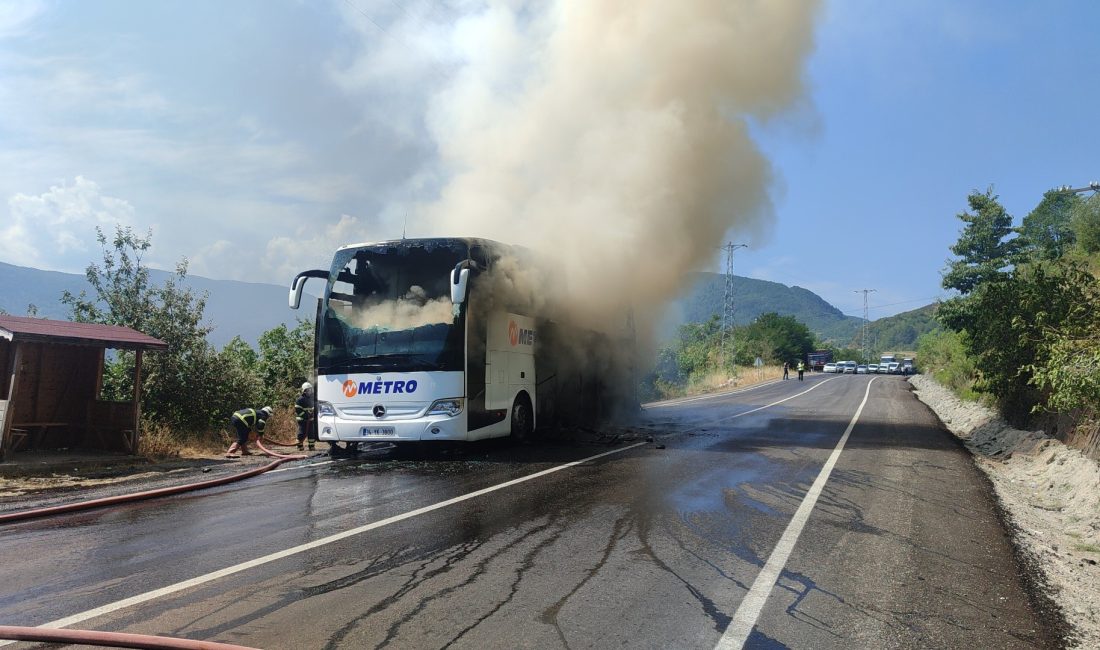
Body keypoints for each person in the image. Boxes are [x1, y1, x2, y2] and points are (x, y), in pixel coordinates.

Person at [295, 382, 317, 451]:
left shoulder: (312, 399)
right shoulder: (300, 399)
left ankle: (311, 446)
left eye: (310, 390)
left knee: (311, 433)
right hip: (302, 420)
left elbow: (314, 408)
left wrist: (313, 412)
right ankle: (299, 446)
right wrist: (305, 415)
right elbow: (298, 409)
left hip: (310, 420)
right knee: (302, 433)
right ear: (304, 391)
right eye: (307, 390)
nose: (309, 391)